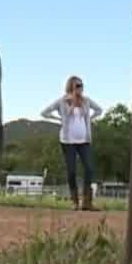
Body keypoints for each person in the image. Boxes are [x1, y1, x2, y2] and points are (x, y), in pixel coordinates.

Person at [40, 76, 103, 211]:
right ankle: (74, 201)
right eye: (77, 86)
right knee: (72, 171)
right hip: (68, 141)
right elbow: (44, 113)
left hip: (84, 140)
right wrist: (59, 117)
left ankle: (87, 202)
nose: (80, 88)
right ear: (71, 87)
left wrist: (90, 119)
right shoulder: (62, 101)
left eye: (81, 85)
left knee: (89, 168)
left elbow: (99, 110)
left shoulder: (86, 101)